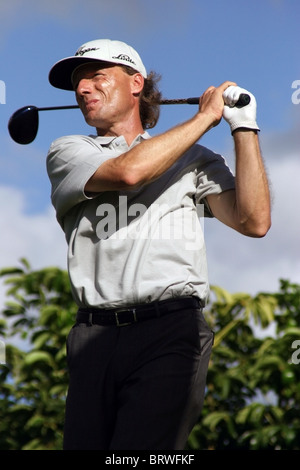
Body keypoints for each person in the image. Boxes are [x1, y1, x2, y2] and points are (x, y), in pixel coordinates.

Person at [46, 39, 271, 450]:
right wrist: (206, 117)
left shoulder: (194, 160)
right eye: (78, 82)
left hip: (172, 331)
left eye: (96, 76)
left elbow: (252, 220)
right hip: (92, 337)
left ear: (136, 84)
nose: (82, 89)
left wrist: (244, 127)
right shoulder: (70, 152)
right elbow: (130, 172)